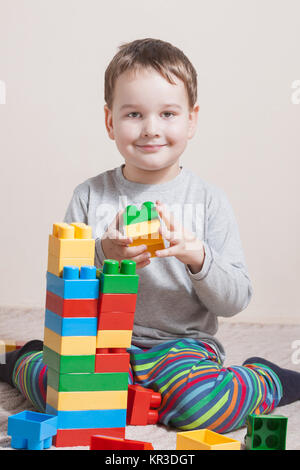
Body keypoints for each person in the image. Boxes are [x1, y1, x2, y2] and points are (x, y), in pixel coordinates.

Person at [1, 38, 299, 434]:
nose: (151, 129)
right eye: (134, 114)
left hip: (184, 348)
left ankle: (265, 377)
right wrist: (103, 253)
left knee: (200, 408)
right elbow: (64, 288)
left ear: (192, 120)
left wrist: (198, 258)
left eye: (168, 113)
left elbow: (236, 299)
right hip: (100, 345)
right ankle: (26, 359)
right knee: (73, 398)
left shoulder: (208, 200)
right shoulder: (90, 195)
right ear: (110, 121)